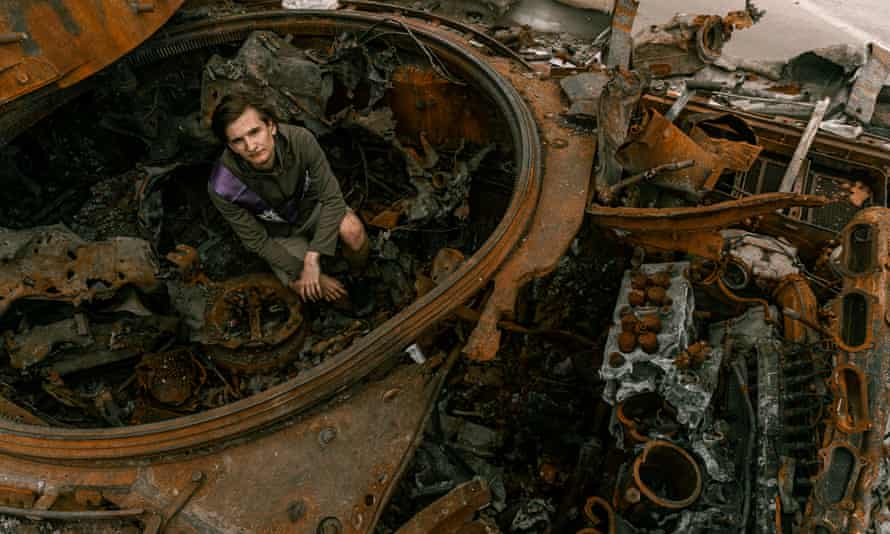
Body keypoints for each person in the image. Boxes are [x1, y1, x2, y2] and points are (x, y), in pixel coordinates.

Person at [208, 94, 369, 302]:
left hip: (312, 210)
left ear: (271, 126)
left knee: (353, 231)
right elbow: (258, 242)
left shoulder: (300, 140)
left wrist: (314, 256)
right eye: (238, 140)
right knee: (305, 286)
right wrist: (311, 275)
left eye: (254, 132)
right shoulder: (222, 185)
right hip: (279, 232)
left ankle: (359, 275)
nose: (250, 146)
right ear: (230, 146)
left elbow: (332, 199)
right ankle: (339, 307)